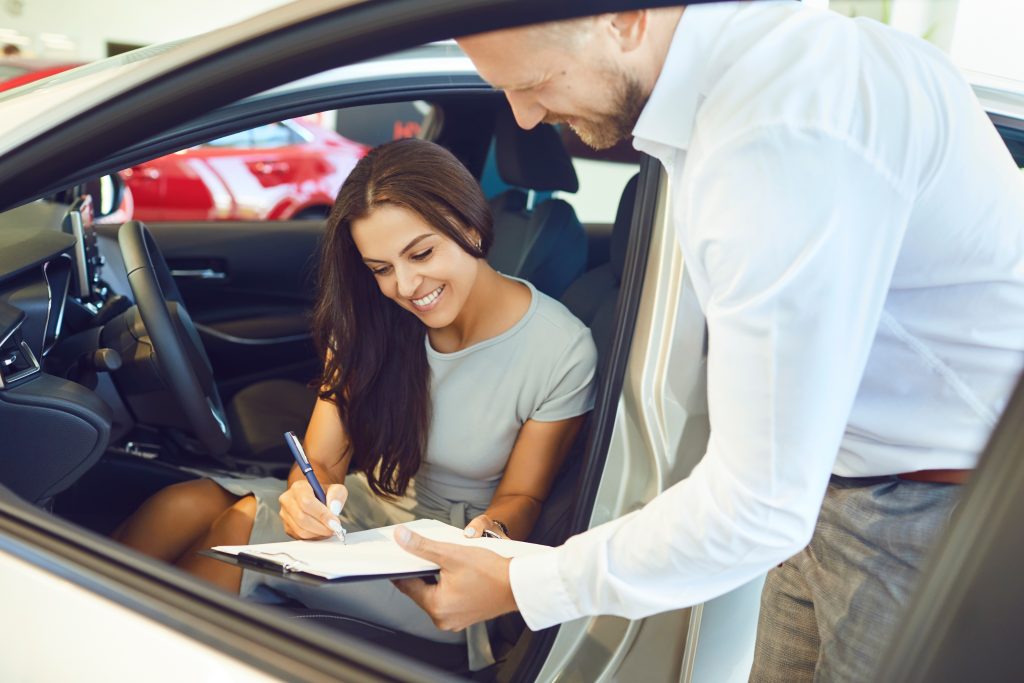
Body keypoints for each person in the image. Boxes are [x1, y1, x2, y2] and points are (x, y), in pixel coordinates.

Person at [390, 3, 1024, 680]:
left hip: (931, 517)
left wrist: (526, 586)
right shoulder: (735, 91)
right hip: (836, 488)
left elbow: (758, 504)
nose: (522, 116)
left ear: (628, 18)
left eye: (535, 80)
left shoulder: (780, 138)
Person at [113, 138, 598, 670]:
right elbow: (319, 461)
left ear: (471, 227)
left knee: (240, 522)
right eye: (380, 268)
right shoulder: (373, 320)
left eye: (421, 253)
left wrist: (492, 536)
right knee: (182, 501)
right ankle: (85, 631)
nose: (406, 286)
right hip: (366, 511)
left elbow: (525, 496)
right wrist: (305, 496)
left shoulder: (561, 349)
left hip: (449, 555)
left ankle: (134, 665)